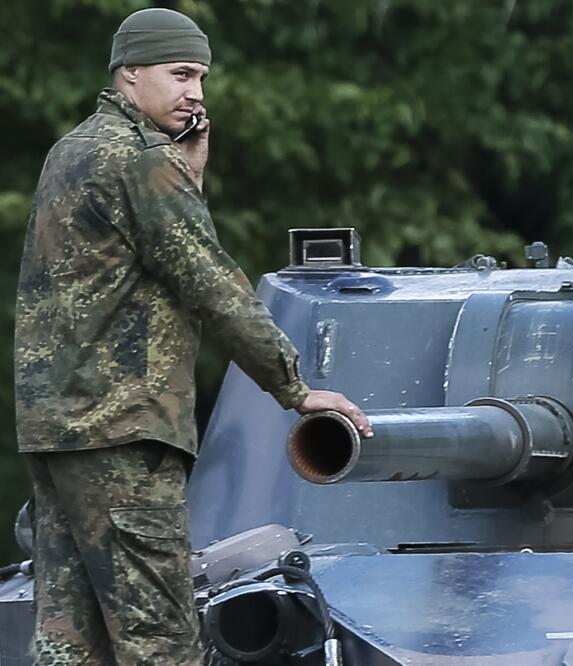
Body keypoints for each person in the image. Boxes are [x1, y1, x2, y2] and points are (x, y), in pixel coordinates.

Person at [14, 8, 372, 664]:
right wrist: (296, 389)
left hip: (59, 433)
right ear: (129, 75)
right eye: (180, 74)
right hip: (125, 433)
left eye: (202, 78)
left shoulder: (73, 150)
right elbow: (210, 283)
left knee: (69, 643)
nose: (196, 93)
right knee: (164, 642)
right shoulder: (145, 161)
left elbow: (128, 274)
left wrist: (190, 181)